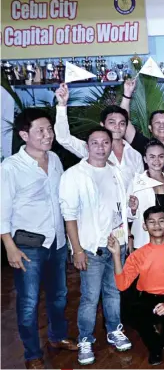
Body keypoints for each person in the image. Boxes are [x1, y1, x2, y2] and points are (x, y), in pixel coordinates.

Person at [1, 109, 78, 369]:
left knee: (59, 295)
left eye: (50, 129)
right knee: (29, 302)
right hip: (27, 246)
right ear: (24, 135)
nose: (48, 135)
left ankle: (56, 337)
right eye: (41, 131)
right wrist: (9, 247)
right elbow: (1, 210)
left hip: (56, 241)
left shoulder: (55, 159)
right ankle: (32, 353)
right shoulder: (10, 167)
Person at [59, 126, 133, 365]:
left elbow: (120, 212)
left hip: (116, 247)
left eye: (105, 142)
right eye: (95, 143)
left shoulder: (116, 172)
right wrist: (77, 249)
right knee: (90, 298)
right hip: (91, 249)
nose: (101, 147)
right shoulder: (74, 174)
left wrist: (127, 225)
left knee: (113, 293)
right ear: (87, 146)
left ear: (111, 145)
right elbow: (68, 216)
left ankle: (113, 330)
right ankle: (85, 339)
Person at [109, 206, 164, 366]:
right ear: (145, 226)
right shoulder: (138, 255)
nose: (157, 225)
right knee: (134, 317)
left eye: (161, 221)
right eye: (152, 222)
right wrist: (116, 255)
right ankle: (155, 347)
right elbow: (122, 285)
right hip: (147, 299)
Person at [54, 83, 144, 190]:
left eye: (122, 123)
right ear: (102, 125)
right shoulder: (93, 149)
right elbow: (64, 138)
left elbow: (141, 188)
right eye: (112, 122)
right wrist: (62, 105)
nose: (117, 127)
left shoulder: (135, 155)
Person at [128, 140, 164, 249]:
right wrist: (133, 209)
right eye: (152, 157)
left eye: (160, 156)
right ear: (145, 159)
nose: (156, 161)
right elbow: (127, 215)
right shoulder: (135, 182)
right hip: (142, 241)